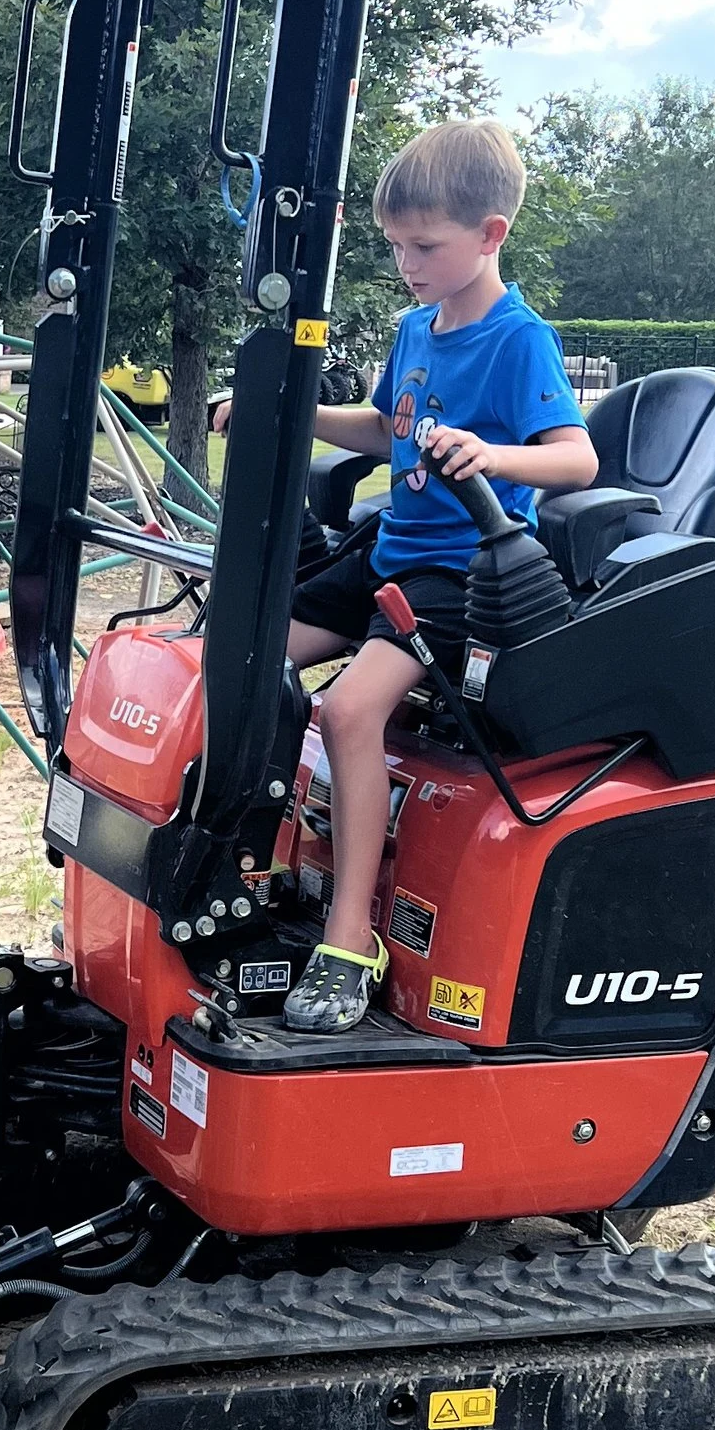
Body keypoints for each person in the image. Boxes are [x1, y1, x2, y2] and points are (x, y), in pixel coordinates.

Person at [220, 118, 597, 1034]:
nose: (408, 263)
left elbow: (577, 460)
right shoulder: (413, 328)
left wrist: (494, 454)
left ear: (490, 235)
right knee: (233, 655)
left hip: (458, 573)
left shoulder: (520, 341)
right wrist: (292, 412)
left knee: (348, 710)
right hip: (386, 548)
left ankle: (351, 938)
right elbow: (384, 425)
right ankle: (246, 866)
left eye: (424, 246)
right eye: (395, 245)